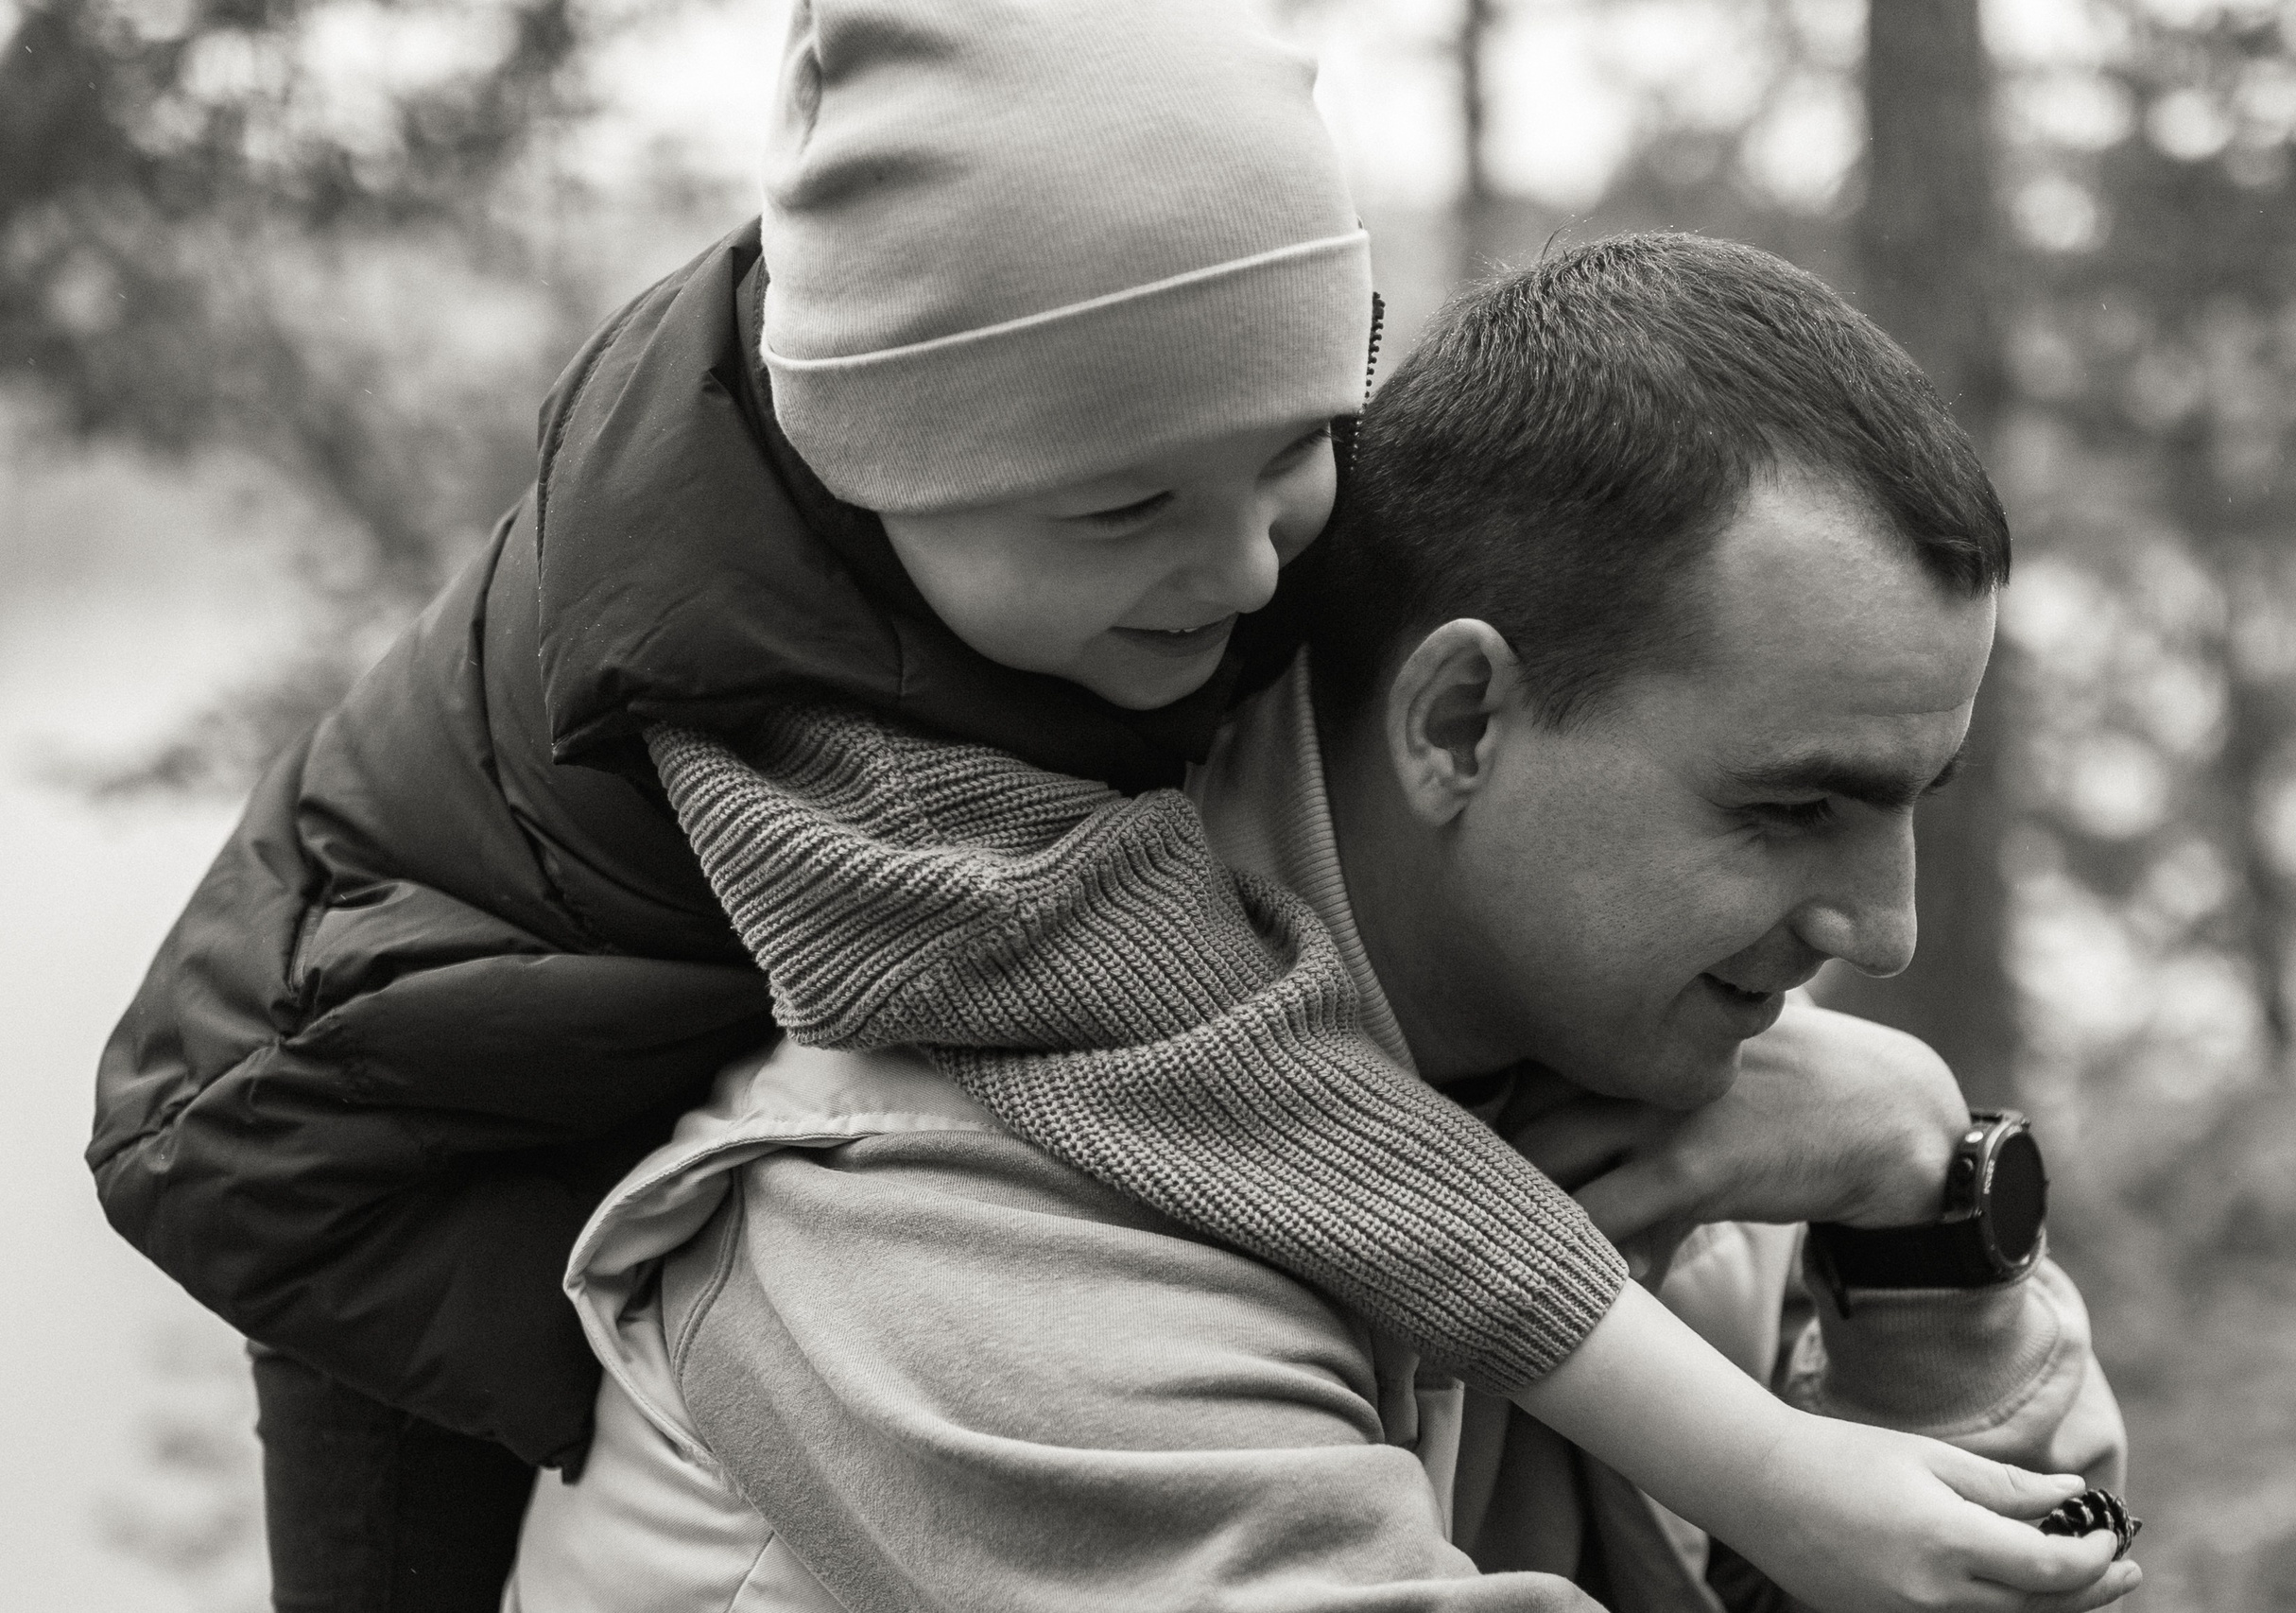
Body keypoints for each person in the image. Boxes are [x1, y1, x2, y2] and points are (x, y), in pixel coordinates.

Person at [503, 234, 2136, 1613]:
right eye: (1795, 806)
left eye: (1915, 801)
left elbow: (2018, 1568)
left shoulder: (1674, 1100)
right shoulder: (954, 1225)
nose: (1883, 929)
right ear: (1459, 724)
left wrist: (1928, 1217)